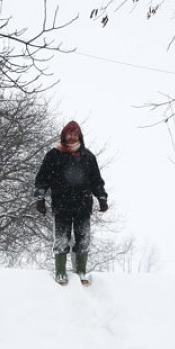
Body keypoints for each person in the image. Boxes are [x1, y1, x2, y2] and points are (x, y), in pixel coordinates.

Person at [34, 120, 108, 284]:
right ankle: (60, 272)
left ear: (79, 136)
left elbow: (96, 180)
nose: (72, 136)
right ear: (64, 135)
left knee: (83, 239)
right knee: (61, 239)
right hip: (61, 205)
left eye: (75, 133)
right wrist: (40, 198)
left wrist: (101, 197)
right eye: (69, 133)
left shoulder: (88, 156)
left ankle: (80, 271)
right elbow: (42, 178)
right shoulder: (54, 154)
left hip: (83, 206)